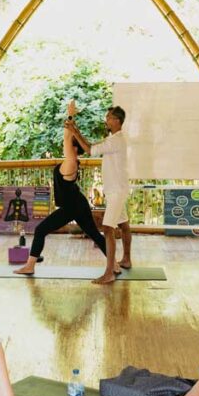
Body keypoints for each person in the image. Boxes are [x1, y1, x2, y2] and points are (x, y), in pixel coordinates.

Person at [15, 100, 108, 275]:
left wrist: (70, 115)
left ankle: (30, 266)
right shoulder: (71, 161)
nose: (65, 143)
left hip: (72, 207)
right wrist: (71, 120)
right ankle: (114, 264)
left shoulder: (71, 161)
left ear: (74, 147)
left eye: (69, 143)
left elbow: (67, 137)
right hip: (78, 204)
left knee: (40, 230)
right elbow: (67, 136)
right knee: (94, 234)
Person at [69, 105, 132, 284]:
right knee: (124, 225)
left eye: (109, 117)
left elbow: (90, 150)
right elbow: (92, 146)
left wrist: (75, 131)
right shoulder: (114, 139)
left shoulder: (116, 140)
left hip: (117, 190)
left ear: (117, 121)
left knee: (108, 228)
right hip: (116, 189)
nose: (106, 120)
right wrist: (75, 130)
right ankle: (126, 259)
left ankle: (109, 272)